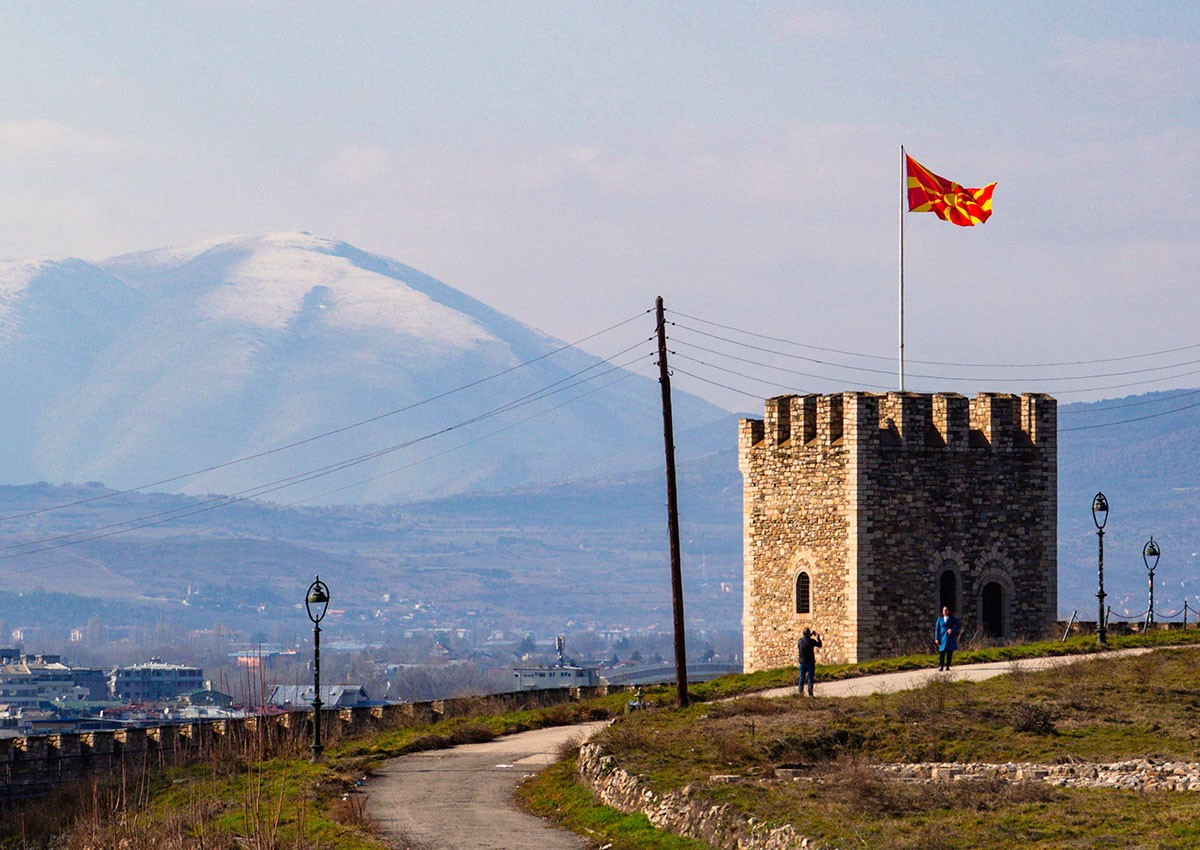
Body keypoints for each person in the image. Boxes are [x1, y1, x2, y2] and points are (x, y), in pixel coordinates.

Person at [797, 627, 822, 696]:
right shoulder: (811, 641)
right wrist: (818, 637)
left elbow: (805, 639)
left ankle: (800, 692)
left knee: (801, 677)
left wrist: (809, 635)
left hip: (802, 662)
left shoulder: (800, 641)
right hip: (810, 662)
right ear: (808, 633)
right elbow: (819, 645)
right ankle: (810, 693)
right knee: (810, 678)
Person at [935, 606, 960, 671]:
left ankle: (948, 666)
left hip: (950, 638)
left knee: (949, 652)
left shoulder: (952, 618)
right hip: (942, 637)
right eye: (943, 610)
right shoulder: (940, 619)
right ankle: (941, 666)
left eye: (946, 610)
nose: (945, 611)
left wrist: (952, 630)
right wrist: (936, 638)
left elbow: (958, 625)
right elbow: (937, 629)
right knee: (942, 652)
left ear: (948, 611)